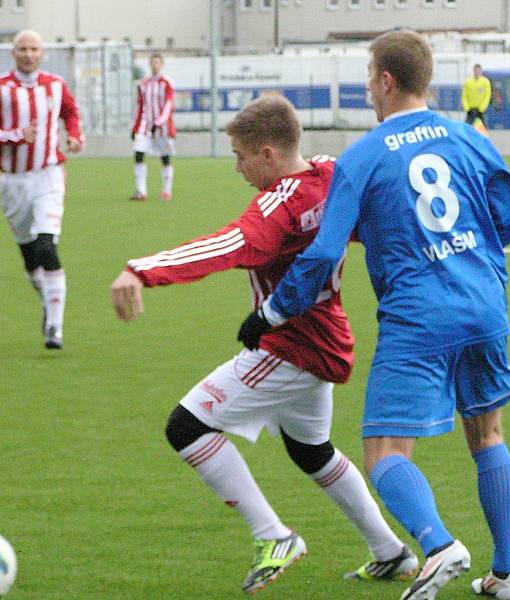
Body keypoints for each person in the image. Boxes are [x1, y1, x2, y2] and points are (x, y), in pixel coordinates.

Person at [238, 31, 510, 600]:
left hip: (419, 313)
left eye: (370, 78)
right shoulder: (468, 137)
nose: (368, 89)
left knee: (383, 453)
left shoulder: (363, 157)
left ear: (387, 81)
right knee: (488, 434)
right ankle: (505, 573)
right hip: (485, 302)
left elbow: (323, 255)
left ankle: (440, 545)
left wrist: (271, 312)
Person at [111, 95, 419, 594]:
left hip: (288, 345)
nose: (238, 168)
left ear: (270, 153)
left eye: (241, 156)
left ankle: (273, 535)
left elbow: (227, 245)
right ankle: (391, 552)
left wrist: (142, 271)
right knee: (311, 450)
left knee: (185, 426)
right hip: (328, 337)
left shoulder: (278, 202)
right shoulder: (330, 175)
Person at [0, 29, 83, 350]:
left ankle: (55, 327)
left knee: (48, 246)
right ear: (13, 53)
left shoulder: (55, 85)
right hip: (13, 182)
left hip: (49, 176)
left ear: (42, 52)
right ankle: (48, 302)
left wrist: (75, 136)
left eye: (34, 48)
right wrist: (17, 135)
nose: (29, 54)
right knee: (30, 257)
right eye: (23, 48)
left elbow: (71, 113)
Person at [130, 53, 176, 202]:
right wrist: (135, 126)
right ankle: (141, 191)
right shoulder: (144, 83)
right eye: (152, 62)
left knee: (165, 158)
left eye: (157, 62)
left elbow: (169, 105)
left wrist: (159, 122)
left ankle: (166, 190)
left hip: (162, 128)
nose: (154, 65)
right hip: (145, 126)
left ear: (161, 64)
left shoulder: (167, 82)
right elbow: (140, 106)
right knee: (138, 153)